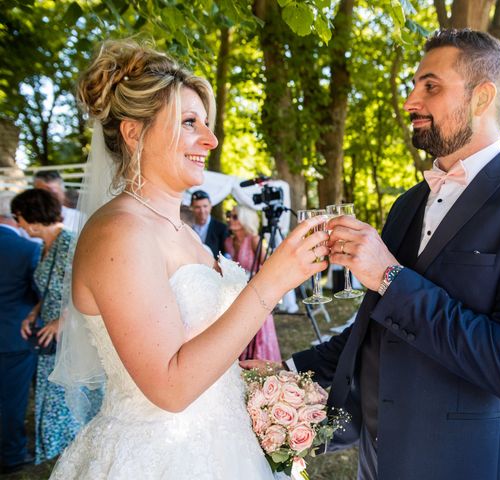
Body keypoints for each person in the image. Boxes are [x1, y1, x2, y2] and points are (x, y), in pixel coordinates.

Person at [245, 29, 500, 479]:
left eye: (431, 86)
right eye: (414, 86)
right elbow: (374, 329)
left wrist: (389, 276)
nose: (410, 100)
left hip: (468, 465)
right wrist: (285, 369)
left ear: (482, 98)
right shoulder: (407, 205)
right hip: (379, 462)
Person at [48, 39, 328, 479]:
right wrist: (272, 282)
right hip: (160, 457)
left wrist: (251, 383)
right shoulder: (120, 232)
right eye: (190, 123)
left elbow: (194, 344)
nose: (211, 139)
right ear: (134, 132)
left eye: (207, 123)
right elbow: (171, 387)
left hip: (226, 449)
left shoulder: (187, 235)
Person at [11, 189, 102, 464]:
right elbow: (51, 288)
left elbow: (90, 288)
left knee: (66, 401)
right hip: (50, 338)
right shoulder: (43, 247)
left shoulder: (70, 243)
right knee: (52, 398)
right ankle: (61, 456)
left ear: (33, 218)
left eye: (19, 218)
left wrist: (61, 321)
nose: (18, 224)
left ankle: (75, 457)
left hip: (72, 336)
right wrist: (34, 312)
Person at [0, 192, 40, 475]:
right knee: (12, 400)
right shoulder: (26, 249)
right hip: (14, 336)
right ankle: (12, 455)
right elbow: (39, 291)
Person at [225, 204, 282, 362]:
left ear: (245, 219)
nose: (230, 220)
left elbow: (269, 265)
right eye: (229, 215)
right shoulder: (229, 242)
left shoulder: (254, 240)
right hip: (236, 294)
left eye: (235, 216)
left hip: (257, 293)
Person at [190, 189, 228, 259]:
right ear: (191, 208)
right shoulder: (188, 227)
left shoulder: (222, 228)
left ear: (210, 206)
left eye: (205, 206)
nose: (202, 211)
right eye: (197, 207)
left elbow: (226, 255)